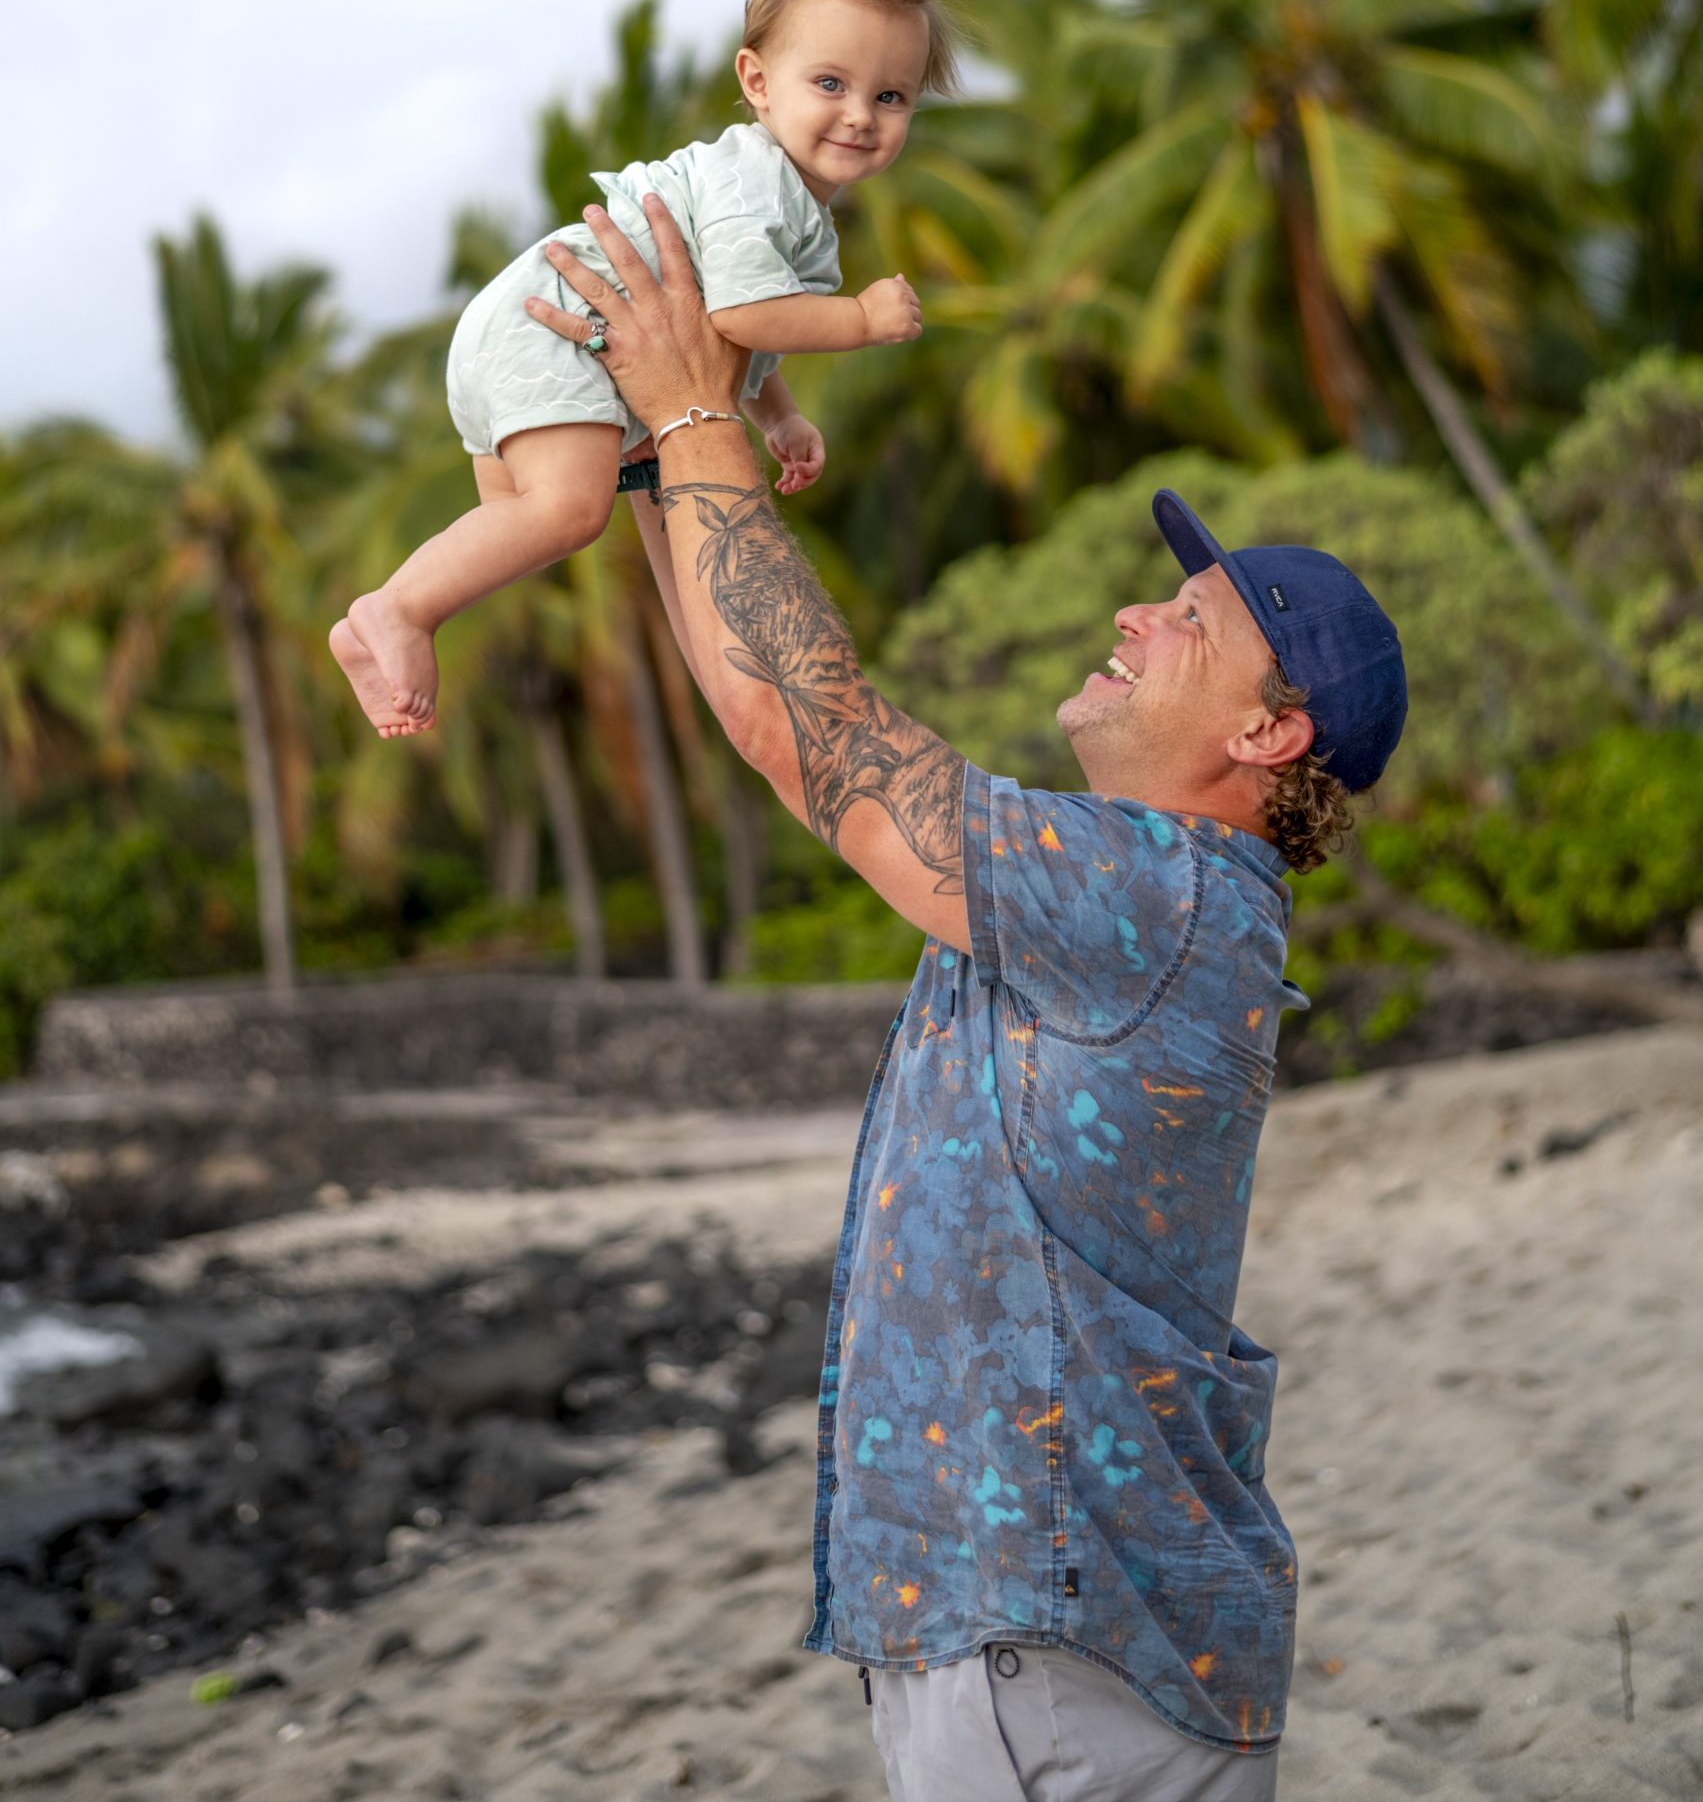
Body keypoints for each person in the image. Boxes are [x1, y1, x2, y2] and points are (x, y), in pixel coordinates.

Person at [522, 194, 1408, 1802]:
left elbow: (815, 733)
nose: (1133, 613)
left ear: (1266, 735)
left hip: (1061, 1651)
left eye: (1187, 621)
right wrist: (659, 454)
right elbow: (772, 718)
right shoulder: (1135, 890)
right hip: (1041, 1640)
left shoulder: (1157, 893)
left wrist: (698, 413)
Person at [330, 0, 956, 736]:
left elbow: (741, 326)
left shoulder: (780, 199)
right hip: (551, 332)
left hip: (513, 333)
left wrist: (778, 416)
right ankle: (399, 609)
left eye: (891, 95)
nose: (859, 114)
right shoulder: (758, 181)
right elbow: (746, 313)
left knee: (520, 527)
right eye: (829, 84)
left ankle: (379, 627)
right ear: (756, 82)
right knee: (567, 512)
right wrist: (861, 320)